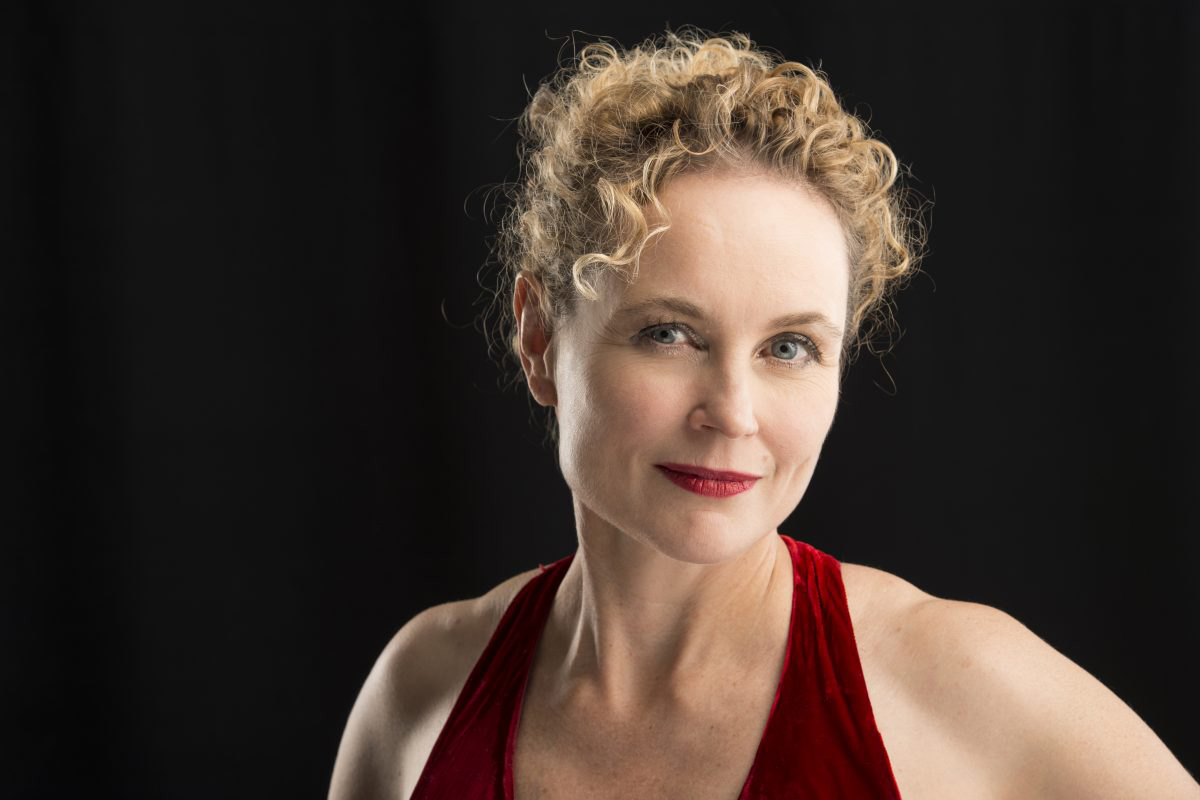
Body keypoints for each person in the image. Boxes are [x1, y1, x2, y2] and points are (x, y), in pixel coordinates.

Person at [328, 27, 1198, 799]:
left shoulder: (954, 685)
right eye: (670, 334)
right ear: (538, 337)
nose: (734, 414)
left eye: (789, 347)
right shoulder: (423, 690)